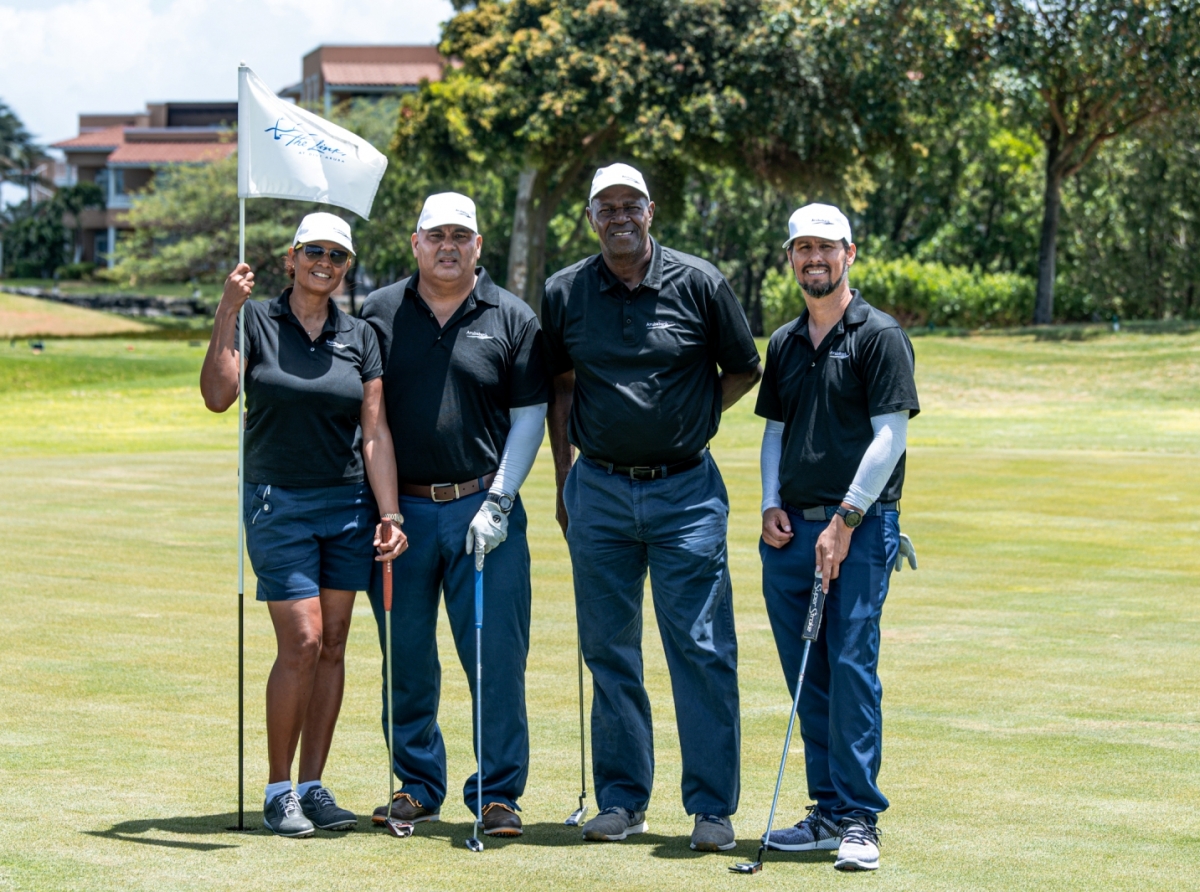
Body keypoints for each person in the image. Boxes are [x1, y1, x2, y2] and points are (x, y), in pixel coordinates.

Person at [542, 163, 762, 852]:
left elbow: (743, 368)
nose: (619, 217)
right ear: (590, 218)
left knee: (700, 649)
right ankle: (622, 801)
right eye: (605, 208)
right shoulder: (565, 291)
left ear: (651, 210)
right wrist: (562, 478)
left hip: (686, 492)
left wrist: (692, 420)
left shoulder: (699, 283)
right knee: (608, 651)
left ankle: (711, 809)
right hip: (598, 491)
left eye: (630, 204)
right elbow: (561, 387)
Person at [200, 212, 406, 837]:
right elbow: (218, 395)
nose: (326, 262)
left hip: (348, 507)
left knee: (337, 642)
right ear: (291, 258)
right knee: (304, 641)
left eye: (338, 255)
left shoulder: (361, 333)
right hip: (278, 502)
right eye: (314, 251)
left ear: (347, 267)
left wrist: (390, 512)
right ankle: (276, 788)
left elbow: (373, 431)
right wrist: (226, 313)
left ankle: (313, 786)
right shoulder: (258, 318)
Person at [361, 192, 549, 839]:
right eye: (436, 234)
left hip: (482, 506)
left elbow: (530, 418)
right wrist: (385, 510)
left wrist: (498, 499)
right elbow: (370, 417)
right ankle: (417, 784)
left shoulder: (512, 317)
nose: (448, 245)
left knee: (495, 657)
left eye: (460, 236)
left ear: (478, 246)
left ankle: (497, 793)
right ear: (414, 242)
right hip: (400, 513)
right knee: (406, 658)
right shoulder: (379, 312)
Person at [755, 203, 920, 871]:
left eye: (826, 247)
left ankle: (858, 820)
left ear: (850, 253)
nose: (814, 258)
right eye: (803, 248)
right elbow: (774, 432)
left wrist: (846, 520)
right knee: (809, 673)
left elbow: (891, 436)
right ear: (791, 258)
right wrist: (769, 503)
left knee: (851, 668)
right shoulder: (785, 342)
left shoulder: (879, 335)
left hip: (860, 524)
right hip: (792, 526)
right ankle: (824, 811)